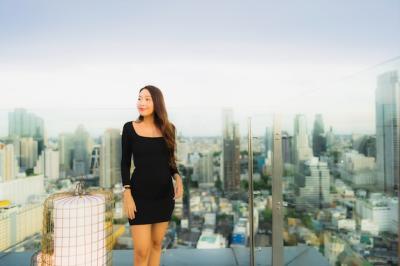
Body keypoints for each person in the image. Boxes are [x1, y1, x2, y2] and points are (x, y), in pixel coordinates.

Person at [120, 85, 184, 266]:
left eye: (147, 99)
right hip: (139, 196)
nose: (142, 102)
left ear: (157, 102)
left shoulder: (169, 128)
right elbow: (124, 163)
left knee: (156, 245)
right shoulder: (129, 128)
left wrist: (178, 177)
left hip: (164, 196)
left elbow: (170, 161)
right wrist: (127, 192)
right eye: (140, 98)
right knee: (141, 251)